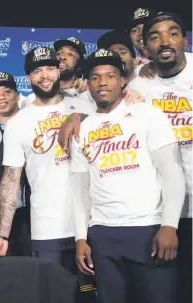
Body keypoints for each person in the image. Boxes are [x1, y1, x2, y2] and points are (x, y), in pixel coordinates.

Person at [70, 48, 185, 303]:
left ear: (122, 80)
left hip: (148, 230)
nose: (102, 83)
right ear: (88, 83)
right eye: (95, 77)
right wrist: (81, 237)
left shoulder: (148, 114)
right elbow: (80, 189)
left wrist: (169, 226)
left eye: (110, 76)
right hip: (102, 233)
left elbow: (172, 172)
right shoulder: (82, 129)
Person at [0, 46, 94, 270]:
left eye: (50, 68)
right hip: (48, 227)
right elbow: (10, 180)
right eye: (37, 71)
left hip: (94, 222)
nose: (45, 75)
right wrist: (3, 235)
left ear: (59, 71)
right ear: (28, 78)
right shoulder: (19, 122)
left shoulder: (86, 107)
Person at [126, 12, 192, 303]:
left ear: (185, 41)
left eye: (173, 33)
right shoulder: (138, 86)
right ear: (145, 48)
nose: (165, 41)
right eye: (155, 36)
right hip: (160, 211)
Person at [0, 71, 31, 256]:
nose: (1, 97)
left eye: (7, 92)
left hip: (30, 217)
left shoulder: (33, 127)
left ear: (18, 96)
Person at [22, 37, 88, 106]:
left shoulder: (87, 96)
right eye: (59, 53)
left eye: (70, 54)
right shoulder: (30, 101)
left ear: (79, 63)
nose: (62, 57)